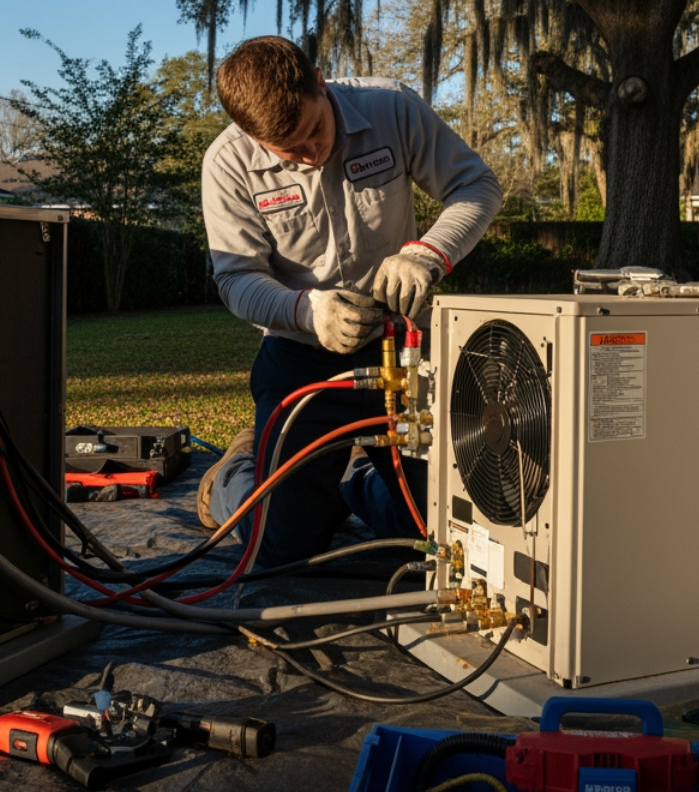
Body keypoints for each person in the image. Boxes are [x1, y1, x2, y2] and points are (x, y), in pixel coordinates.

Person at [196, 35, 502, 566]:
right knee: (285, 547)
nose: (311, 155)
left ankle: (358, 478)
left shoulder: (393, 108)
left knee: (445, 531)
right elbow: (237, 278)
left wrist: (428, 253)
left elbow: (476, 185)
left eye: (316, 131)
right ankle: (233, 478)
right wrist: (306, 310)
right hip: (300, 358)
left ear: (320, 82)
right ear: (249, 134)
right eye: (289, 151)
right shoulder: (226, 163)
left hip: (405, 352)